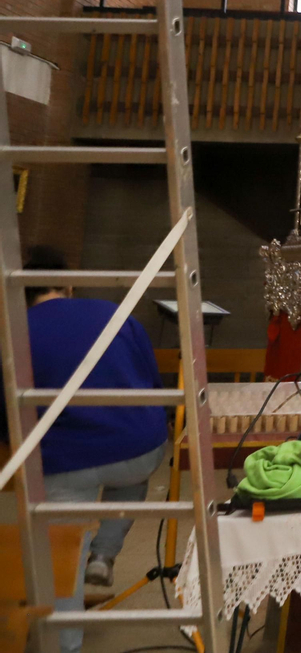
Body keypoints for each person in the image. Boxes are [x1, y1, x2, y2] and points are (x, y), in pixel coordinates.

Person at [20, 246, 168, 653]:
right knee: (130, 472)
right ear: (67, 285)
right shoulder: (114, 315)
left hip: (65, 460)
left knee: (63, 556)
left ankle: (65, 644)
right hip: (136, 448)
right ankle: (105, 551)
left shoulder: (16, 331)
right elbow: (151, 381)